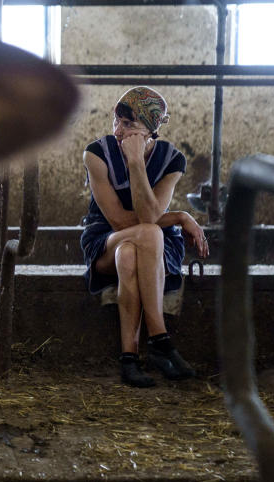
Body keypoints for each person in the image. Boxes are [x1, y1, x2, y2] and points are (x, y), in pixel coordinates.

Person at [80, 86, 209, 387]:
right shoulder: (96, 154)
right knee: (145, 234)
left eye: (129, 125)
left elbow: (149, 217)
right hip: (104, 239)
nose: (118, 131)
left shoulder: (172, 160)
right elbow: (119, 220)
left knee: (132, 252)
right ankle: (161, 342)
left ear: (151, 132)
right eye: (117, 121)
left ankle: (129, 358)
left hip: (153, 245)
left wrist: (137, 163)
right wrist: (180, 216)